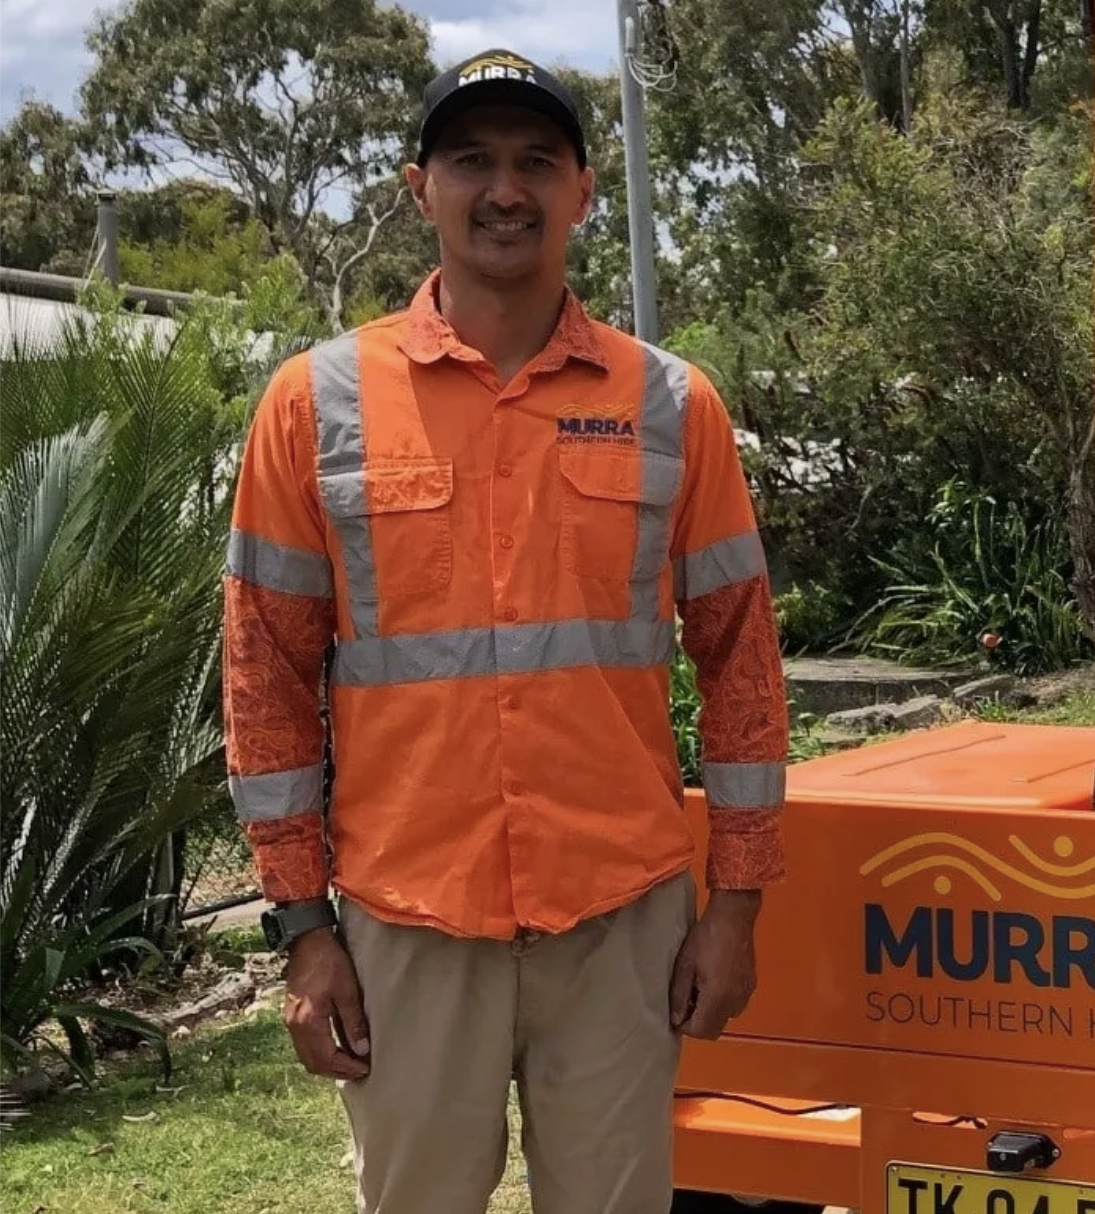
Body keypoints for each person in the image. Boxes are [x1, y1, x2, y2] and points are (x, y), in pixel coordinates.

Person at [219, 48, 790, 1214]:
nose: (505, 189)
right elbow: (264, 677)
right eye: (471, 159)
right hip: (407, 923)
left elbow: (740, 661)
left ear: (584, 189)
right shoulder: (315, 403)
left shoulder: (672, 404)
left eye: (537, 160)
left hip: (617, 921)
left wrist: (734, 905)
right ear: (415, 186)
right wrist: (303, 929)